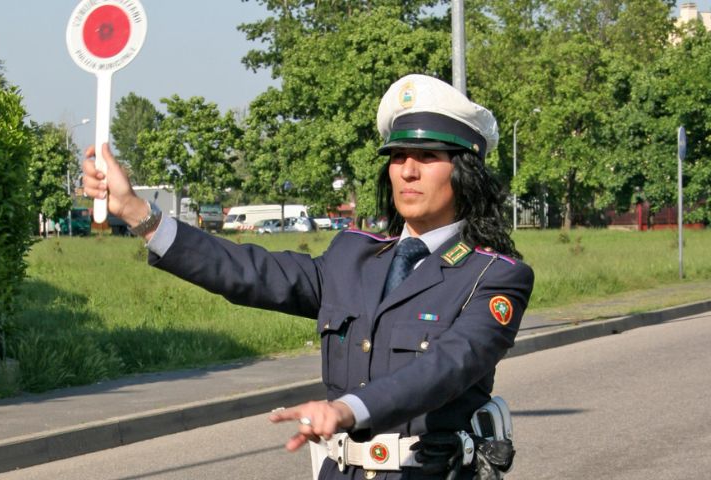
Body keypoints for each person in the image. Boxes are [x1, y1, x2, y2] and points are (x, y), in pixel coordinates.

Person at [82, 74, 534, 480]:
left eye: (427, 156)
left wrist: (347, 409)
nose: (408, 171)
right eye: (397, 156)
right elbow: (251, 272)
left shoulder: (493, 276)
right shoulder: (354, 255)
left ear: (465, 171)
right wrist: (139, 214)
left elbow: (446, 368)